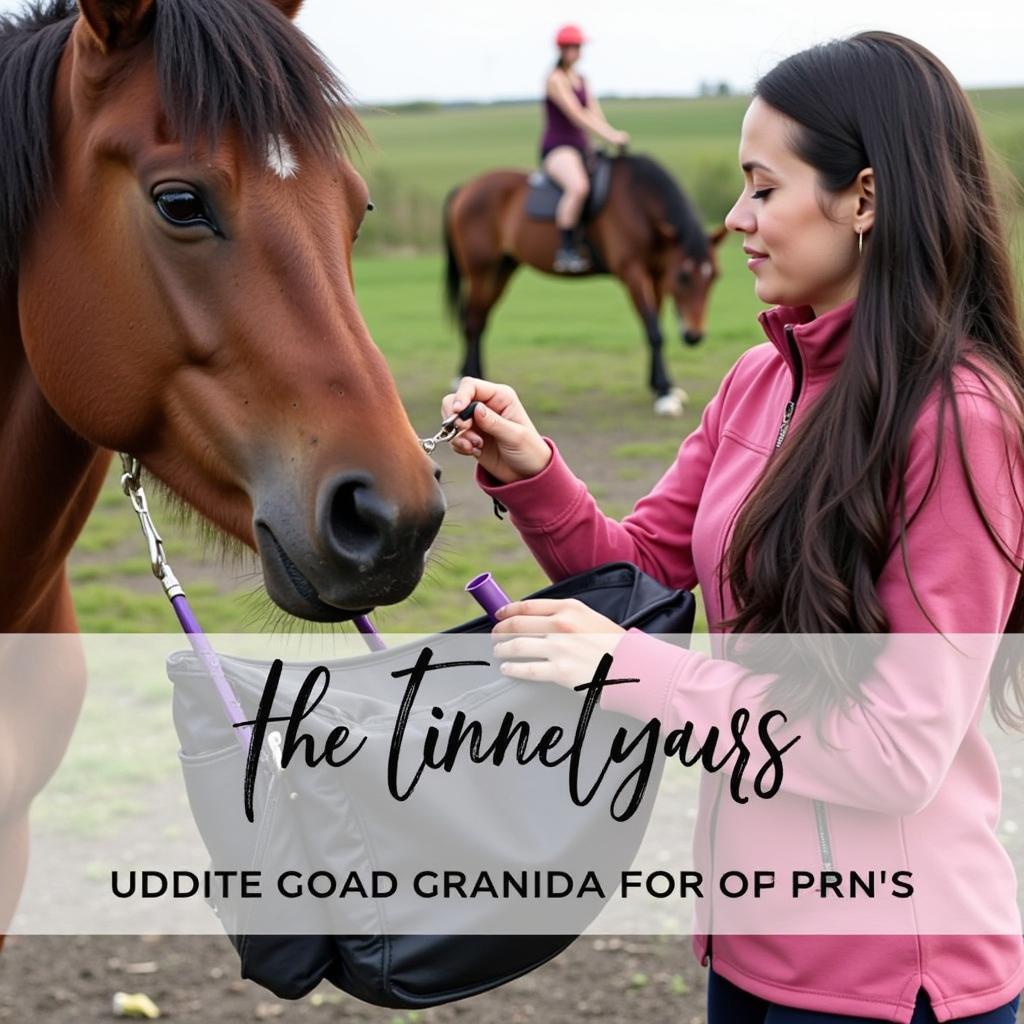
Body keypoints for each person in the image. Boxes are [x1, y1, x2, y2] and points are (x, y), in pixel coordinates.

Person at [442, 31, 1024, 1024]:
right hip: (749, 943)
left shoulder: (958, 421)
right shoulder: (760, 378)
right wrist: (534, 474)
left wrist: (625, 669)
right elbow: (650, 567)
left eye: (762, 188)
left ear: (866, 199)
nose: (732, 217)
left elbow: (894, 750)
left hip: (890, 976)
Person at [541, 24, 630, 274]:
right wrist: (611, 136)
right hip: (558, 148)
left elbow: (593, 113)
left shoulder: (582, 80)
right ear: (562, 49)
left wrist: (608, 135)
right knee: (578, 187)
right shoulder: (555, 79)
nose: (579, 52)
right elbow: (577, 115)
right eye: (574, 47)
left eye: (580, 47)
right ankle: (565, 251)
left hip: (583, 147)